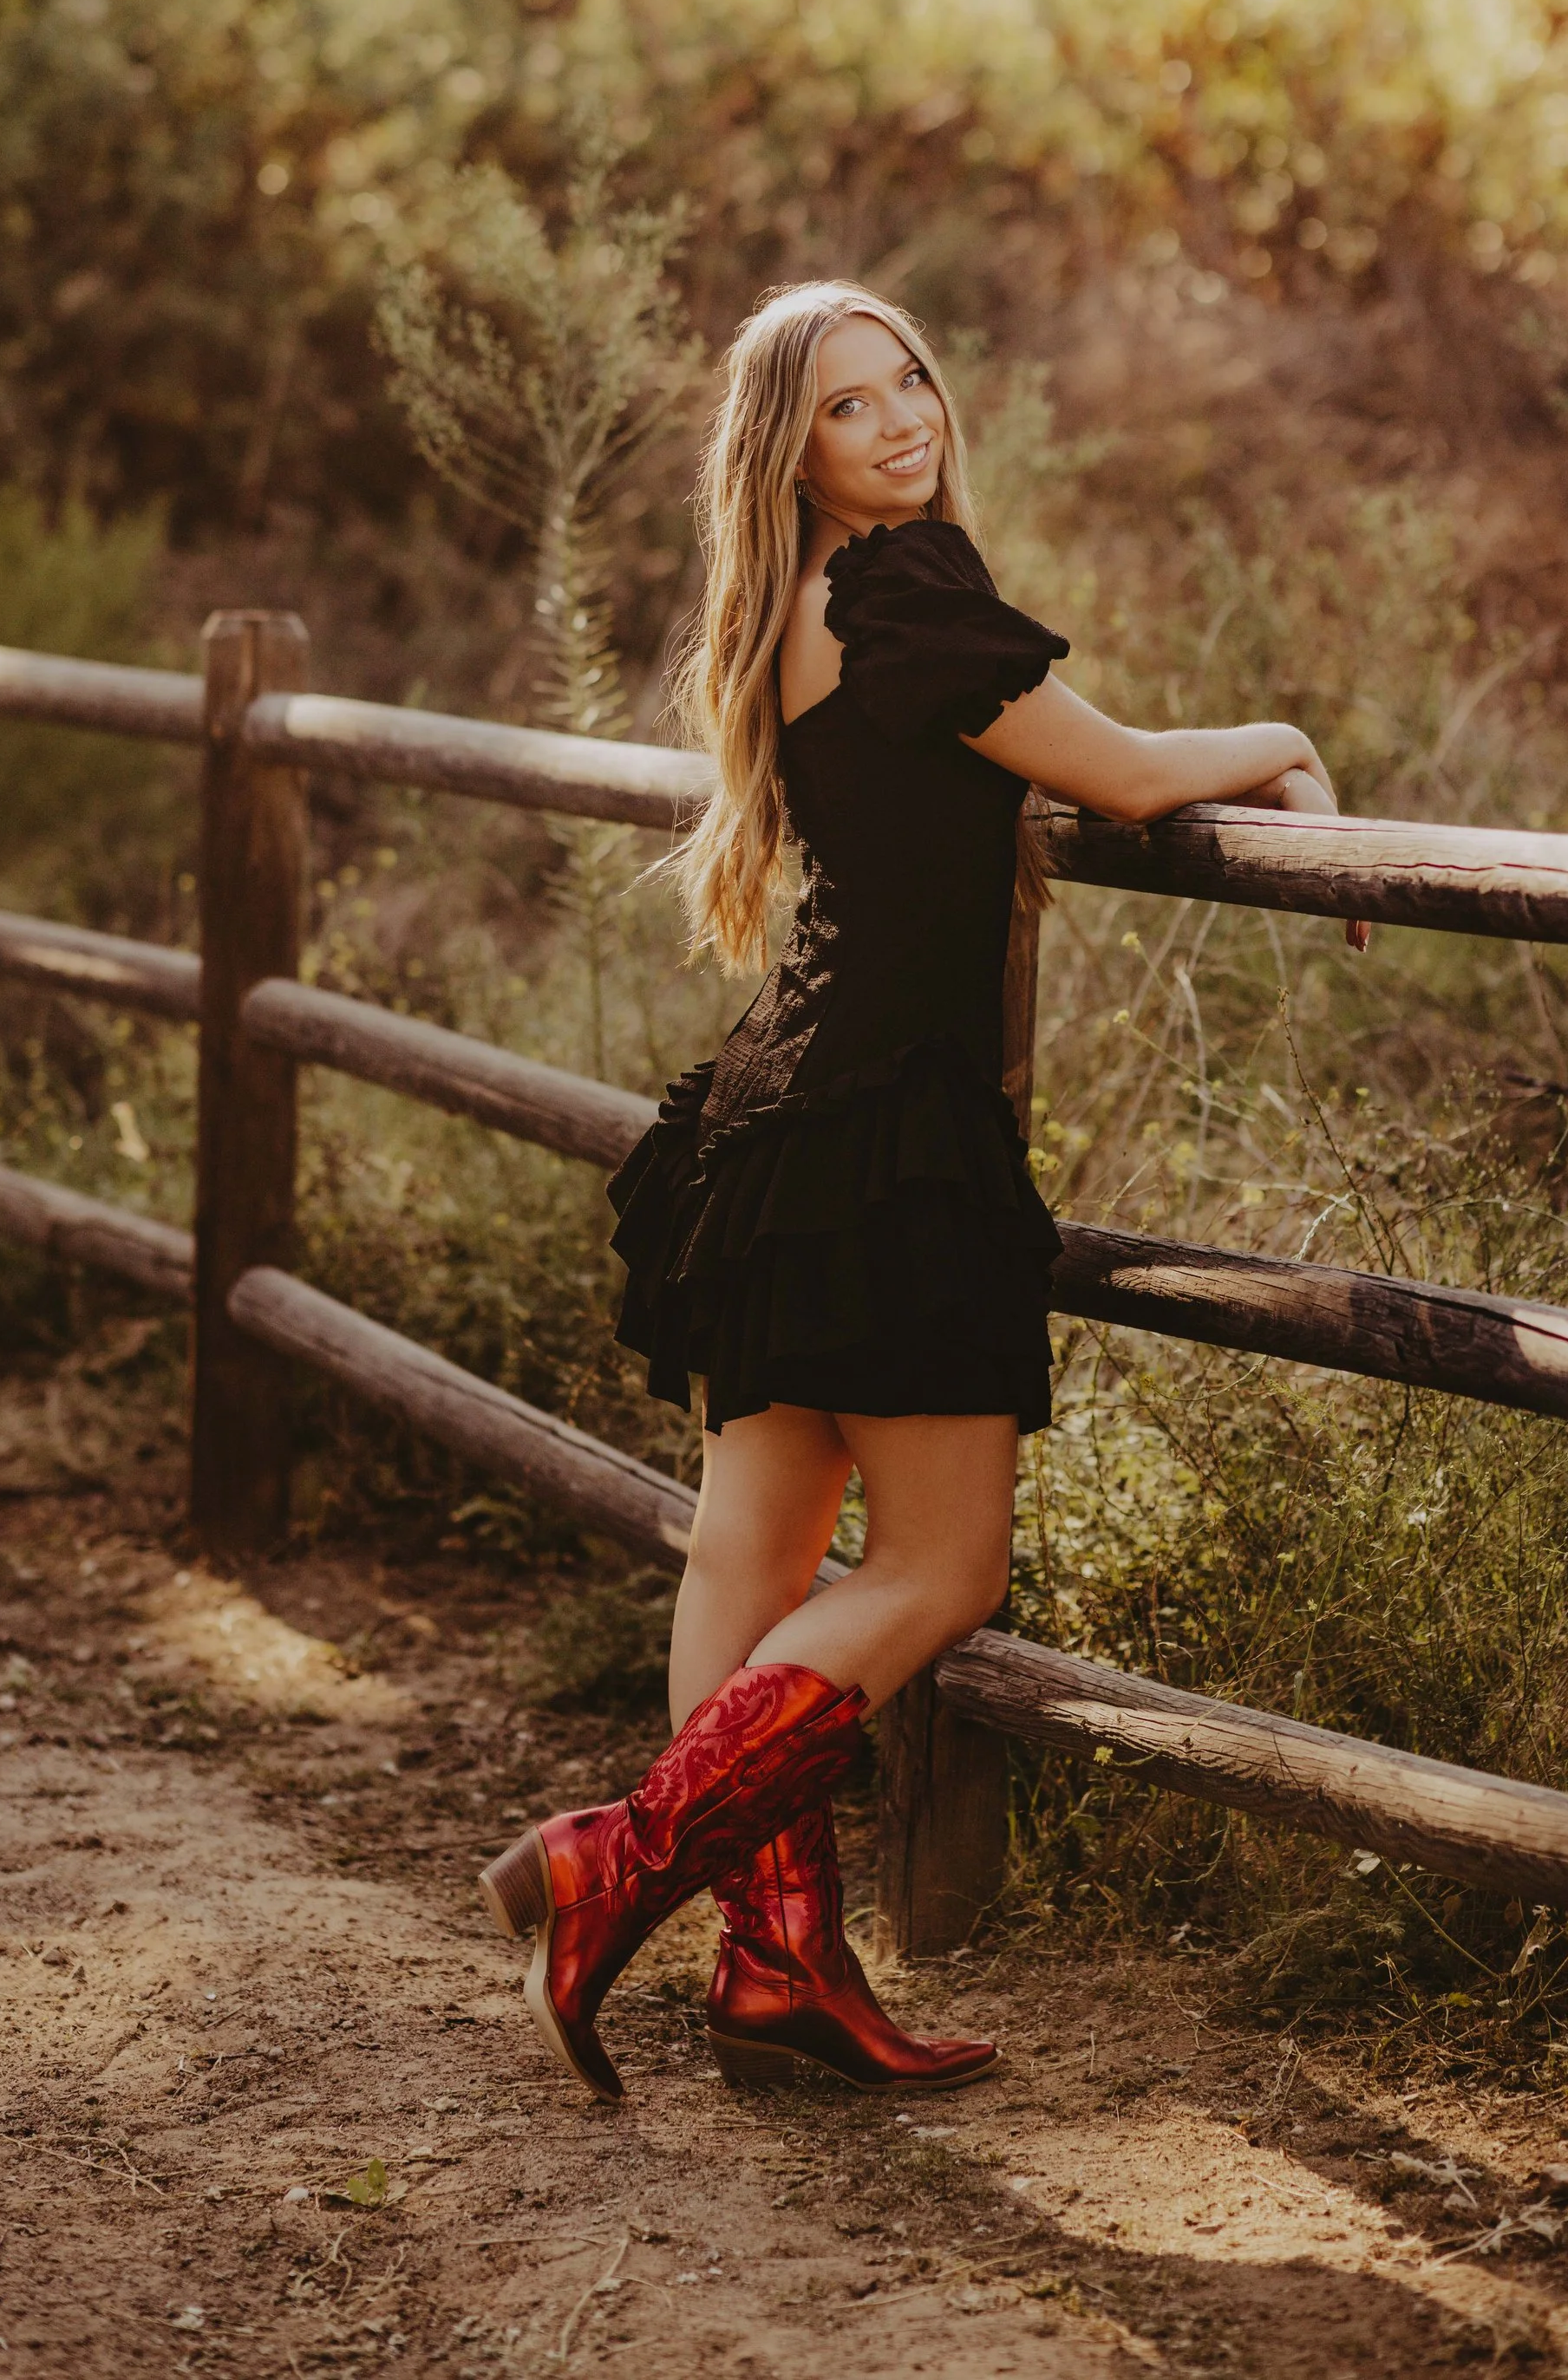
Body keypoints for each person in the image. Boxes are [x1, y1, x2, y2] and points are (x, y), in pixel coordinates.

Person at [480, 279, 1357, 2103]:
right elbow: (1121, 775)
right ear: (787, 451)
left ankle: (777, 1968)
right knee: (944, 1568)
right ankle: (619, 1857)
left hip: (782, 1112)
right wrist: (1277, 740)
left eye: (909, 384)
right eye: (847, 405)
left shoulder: (799, 601)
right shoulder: (896, 591)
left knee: (752, 1559)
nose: (900, 423)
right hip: (885, 1129)